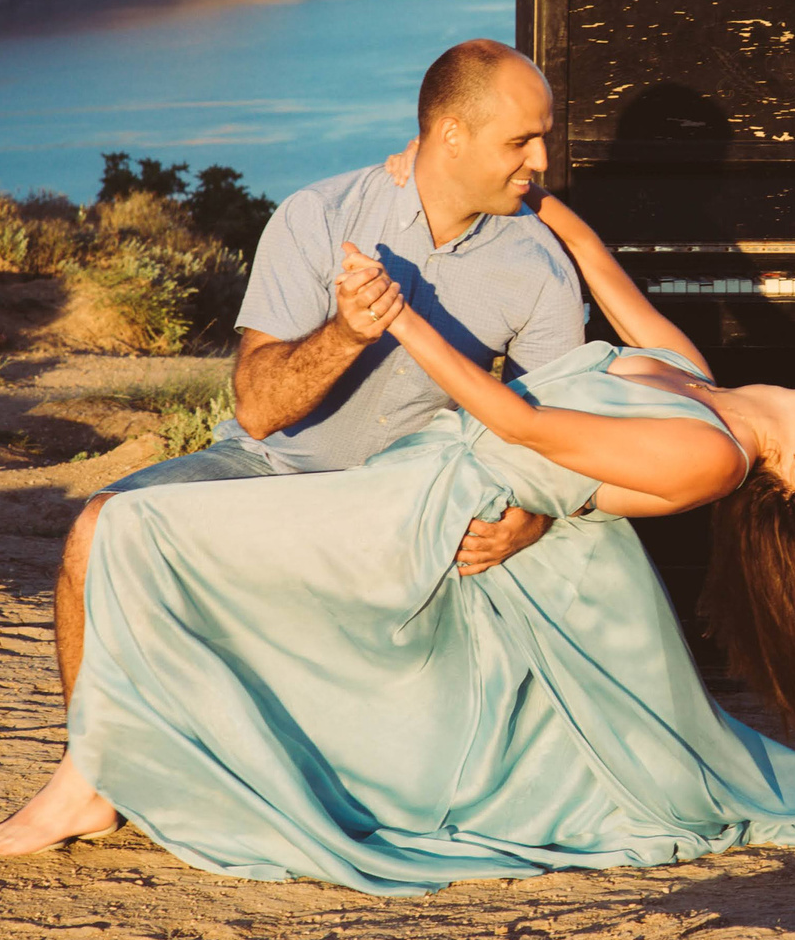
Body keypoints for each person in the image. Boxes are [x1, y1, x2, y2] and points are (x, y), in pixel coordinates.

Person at [0, 173, 795, 882]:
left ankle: (93, 780)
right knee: (149, 536)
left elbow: (535, 434)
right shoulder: (710, 392)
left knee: (135, 538)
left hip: (422, 496)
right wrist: (543, 205)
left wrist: (404, 313)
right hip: (438, 477)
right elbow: (621, 308)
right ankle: (111, 765)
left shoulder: (711, 451)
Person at [29, 39, 580, 705]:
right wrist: (346, 334)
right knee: (97, 531)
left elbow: (555, 432)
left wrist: (530, 518)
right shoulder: (320, 216)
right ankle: (91, 776)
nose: (541, 161)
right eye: (521, 141)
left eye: (543, 138)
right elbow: (258, 410)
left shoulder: (540, 266)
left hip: (410, 504)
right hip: (268, 474)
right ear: (451, 135)